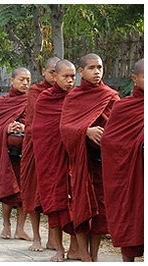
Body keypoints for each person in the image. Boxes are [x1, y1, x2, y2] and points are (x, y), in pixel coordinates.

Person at [60, 53, 120, 262]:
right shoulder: (74, 96)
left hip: (103, 163)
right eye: (92, 68)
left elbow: (119, 127)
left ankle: (94, 256)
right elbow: (65, 127)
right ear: (81, 72)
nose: (97, 72)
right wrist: (85, 130)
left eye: (100, 68)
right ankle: (84, 255)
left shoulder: (111, 96)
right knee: (81, 207)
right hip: (80, 162)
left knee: (100, 211)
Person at [32, 59, 79, 261]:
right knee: (56, 202)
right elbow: (40, 130)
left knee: (77, 204)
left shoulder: (79, 98)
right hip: (52, 160)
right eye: (65, 77)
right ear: (54, 77)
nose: (69, 81)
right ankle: (59, 248)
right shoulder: (45, 99)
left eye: (72, 77)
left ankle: (76, 248)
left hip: (75, 159)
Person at [101, 58, 144, 262]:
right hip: (132, 175)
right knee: (131, 219)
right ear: (135, 79)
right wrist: (138, 144)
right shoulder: (123, 108)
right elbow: (110, 142)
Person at [0, 67, 33, 241]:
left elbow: (38, 126)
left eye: (28, 79)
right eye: (21, 79)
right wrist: (6, 129)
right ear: (11, 81)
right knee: (8, 190)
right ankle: (6, 224)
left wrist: (25, 128)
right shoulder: (1, 102)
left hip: (25, 154)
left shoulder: (32, 102)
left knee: (24, 192)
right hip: (7, 155)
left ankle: (20, 228)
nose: (25, 83)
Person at [20, 56, 60, 251]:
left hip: (57, 151)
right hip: (35, 147)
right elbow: (36, 121)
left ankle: (54, 238)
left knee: (56, 195)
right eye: (51, 72)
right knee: (33, 192)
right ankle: (36, 236)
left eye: (57, 72)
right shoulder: (36, 92)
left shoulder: (69, 94)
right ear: (44, 71)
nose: (54, 76)